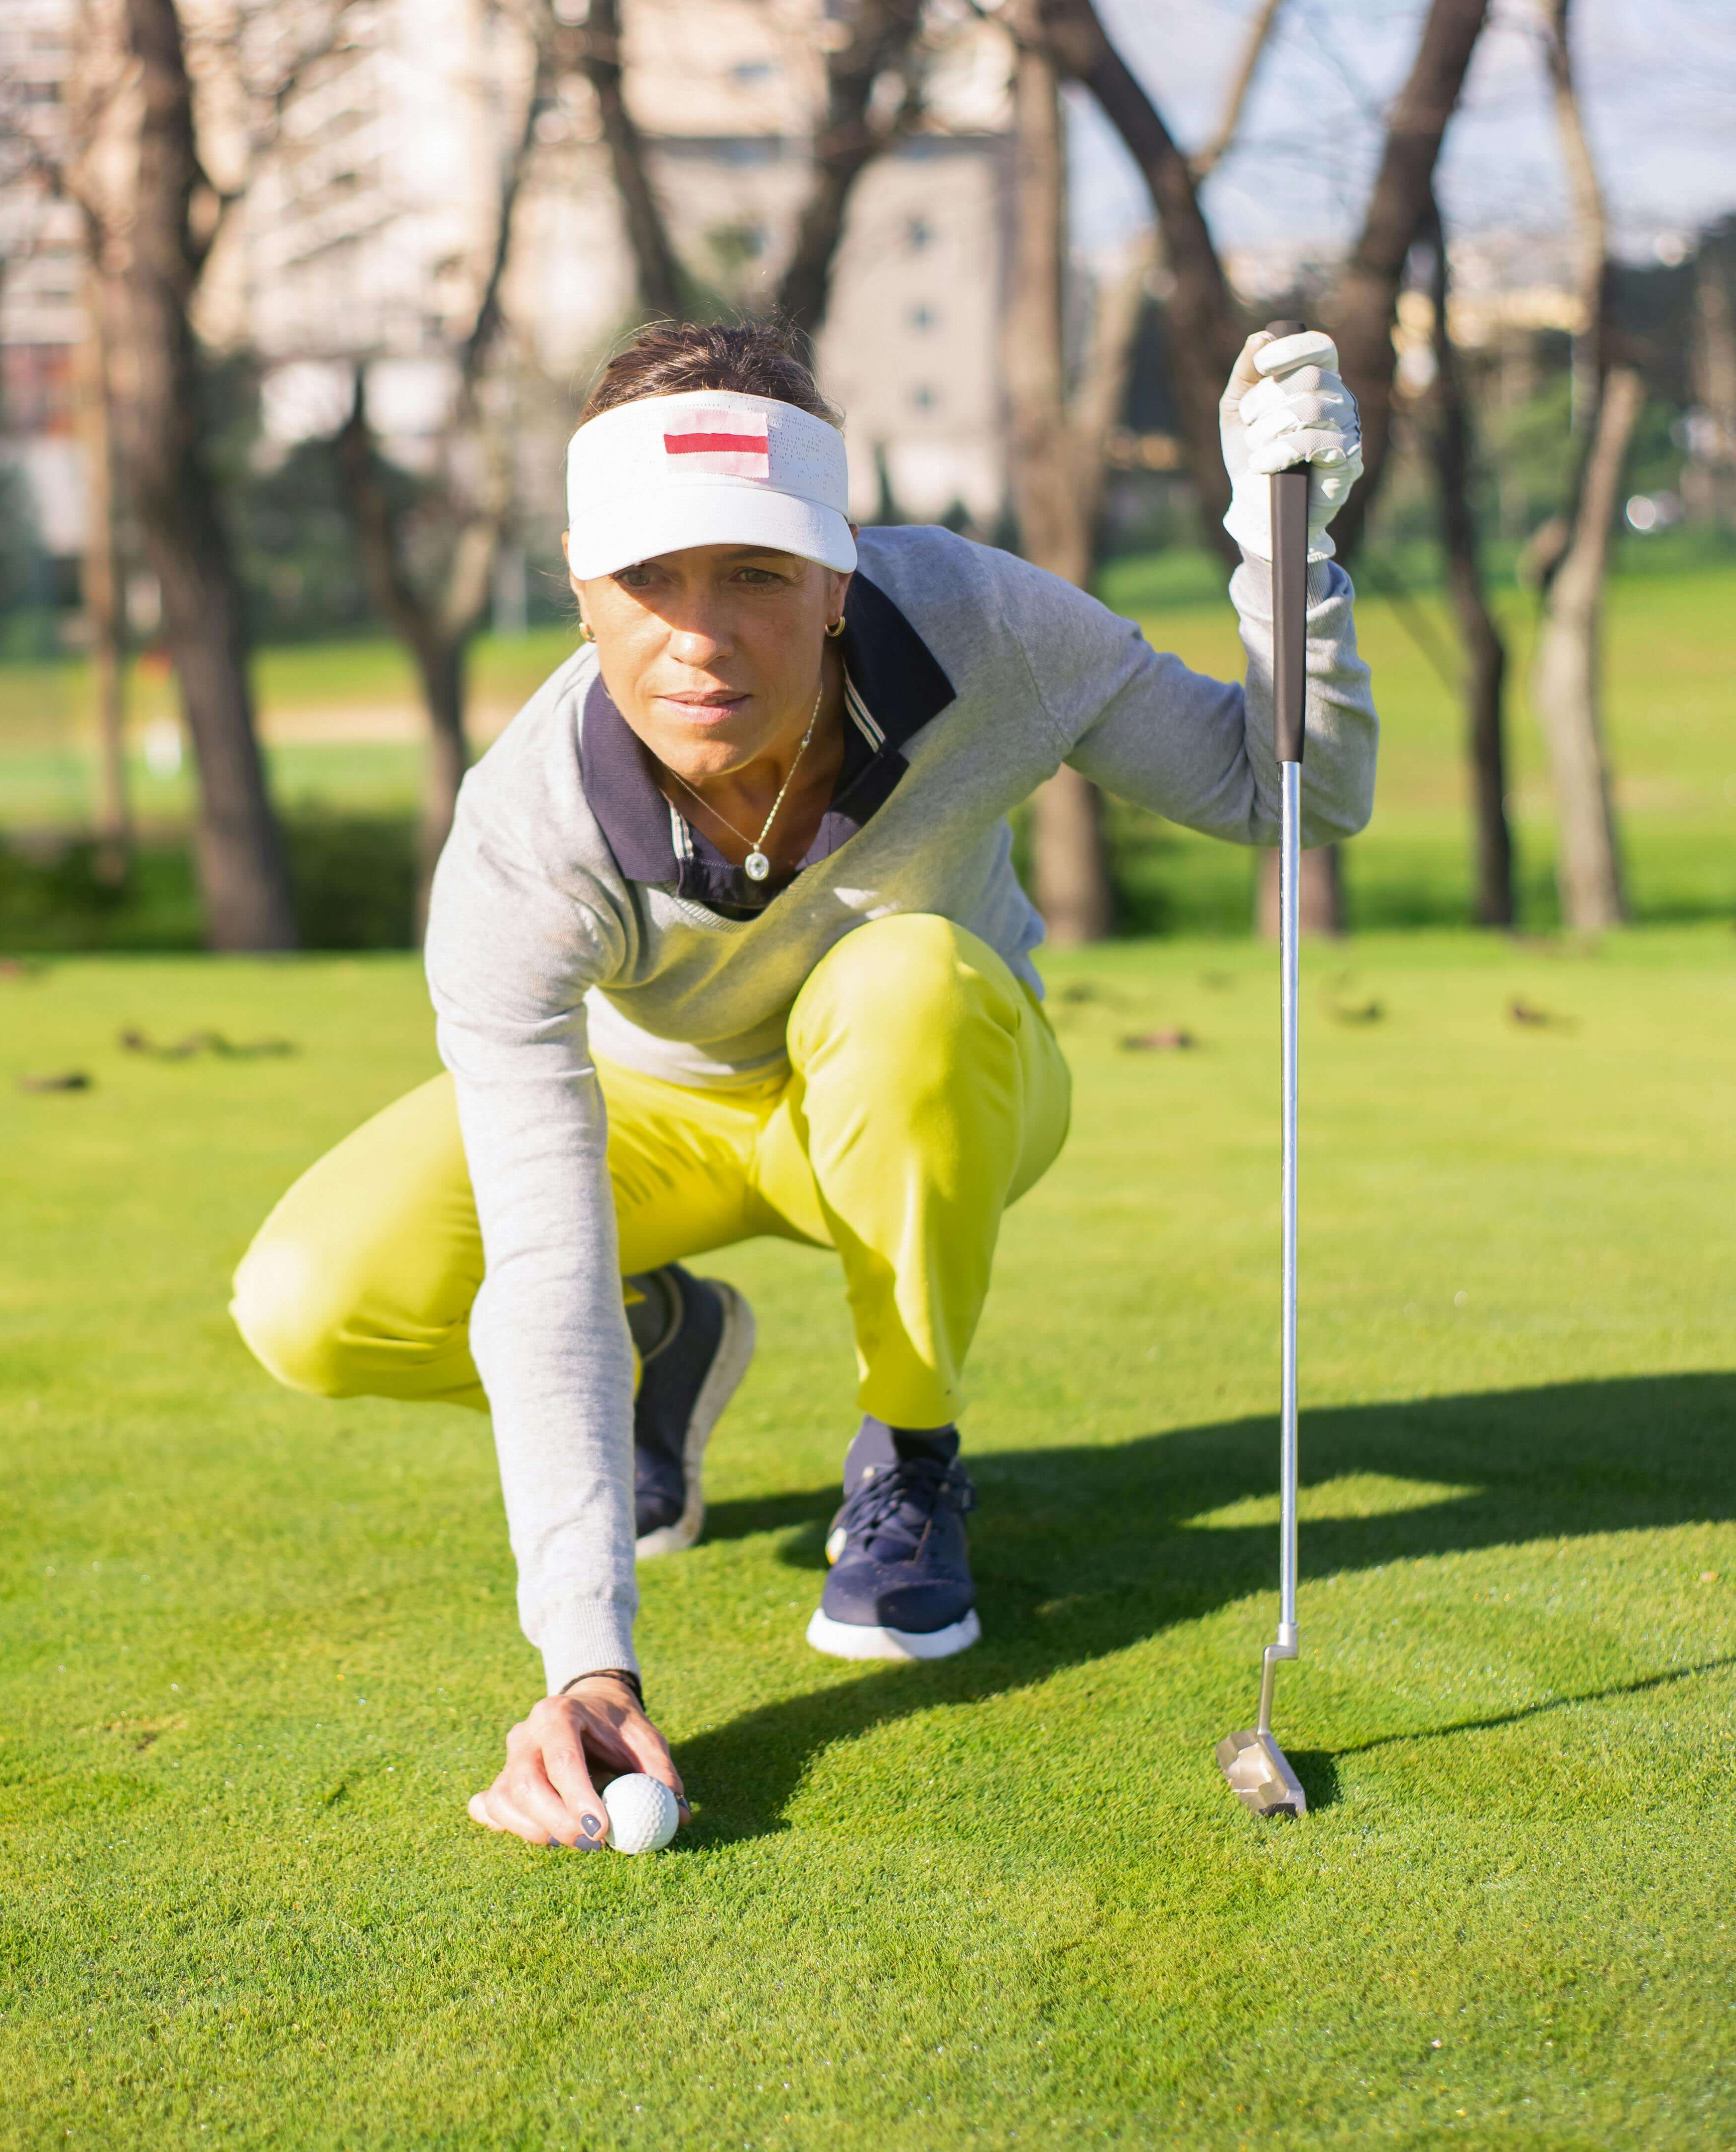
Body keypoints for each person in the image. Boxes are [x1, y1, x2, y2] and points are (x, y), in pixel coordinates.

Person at [232, 318, 1375, 1850]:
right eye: (648, 580)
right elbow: (542, 1255)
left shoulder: (988, 627)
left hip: (936, 1070)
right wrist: (589, 1659)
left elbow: (1284, 792)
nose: (699, 637)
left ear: (839, 578)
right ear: (579, 584)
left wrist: (1284, 555)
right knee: (308, 1302)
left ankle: (909, 1458)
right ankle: (672, 1344)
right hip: (664, 1122)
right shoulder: (520, 837)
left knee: (904, 974)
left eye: (757, 576)